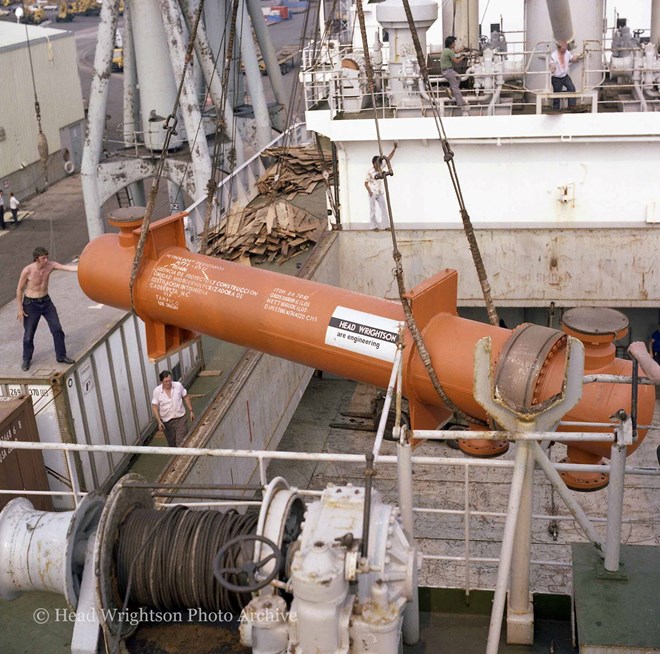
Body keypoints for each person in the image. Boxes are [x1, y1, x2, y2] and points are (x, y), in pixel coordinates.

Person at [16, 246, 77, 371]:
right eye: (43, 258)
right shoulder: (27, 270)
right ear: (36, 259)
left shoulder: (50, 265)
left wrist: (84, 267)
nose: (46, 260)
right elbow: (19, 289)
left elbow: (68, 268)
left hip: (46, 302)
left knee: (57, 329)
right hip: (31, 304)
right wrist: (20, 309)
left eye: (46, 257)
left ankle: (61, 356)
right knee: (28, 335)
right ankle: (26, 359)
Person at [151, 370, 195, 447]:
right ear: (161, 382)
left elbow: (185, 396)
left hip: (180, 419)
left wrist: (191, 410)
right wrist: (159, 421)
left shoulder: (178, 386)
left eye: (170, 380)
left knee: (181, 442)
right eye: (166, 381)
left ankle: (182, 457)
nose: (168, 383)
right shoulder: (157, 391)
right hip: (167, 422)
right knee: (172, 444)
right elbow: (154, 406)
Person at [364, 142, 398, 230]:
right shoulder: (370, 171)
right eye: (376, 164)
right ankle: (373, 226)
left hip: (379, 192)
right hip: (372, 192)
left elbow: (388, 158)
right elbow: (365, 183)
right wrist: (370, 192)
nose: (377, 166)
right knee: (372, 210)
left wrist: (394, 149)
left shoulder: (381, 167)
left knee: (383, 208)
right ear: (373, 164)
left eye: (378, 164)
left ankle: (386, 226)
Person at [549, 40, 584, 111]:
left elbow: (572, 58)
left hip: (565, 76)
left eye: (566, 48)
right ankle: (556, 109)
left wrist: (576, 57)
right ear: (559, 48)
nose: (565, 50)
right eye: (563, 49)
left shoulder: (567, 52)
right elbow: (551, 65)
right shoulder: (553, 55)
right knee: (557, 94)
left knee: (572, 88)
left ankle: (571, 106)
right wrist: (552, 67)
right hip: (556, 78)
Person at [440, 36, 468, 114]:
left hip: (447, 71)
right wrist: (463, 57)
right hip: (448, 71)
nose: (455, 44)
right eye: (454, 43)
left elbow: (455, 52)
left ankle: (450, 89)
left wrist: (463, 48)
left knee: (459, 78)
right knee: (455, 86)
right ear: (451, 44)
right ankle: (460, 102)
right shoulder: (449, 52)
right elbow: (456, 61)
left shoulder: (446, 50)